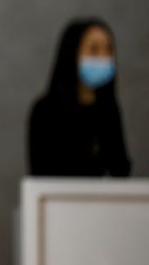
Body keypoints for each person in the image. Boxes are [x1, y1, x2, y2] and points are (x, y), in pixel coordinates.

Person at [28, 18, 131, 177]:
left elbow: (120, 170)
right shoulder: (45, 110)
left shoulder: (109, 110)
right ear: (72, 53)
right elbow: (39, 173)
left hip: (100, 200)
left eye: (108, 49)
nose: (103, 57)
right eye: (94, 50)